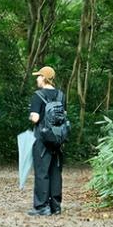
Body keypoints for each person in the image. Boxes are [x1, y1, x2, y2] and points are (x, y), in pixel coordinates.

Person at [28, 65, 65, 216]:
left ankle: (42, 207)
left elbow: (35, 118)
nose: (37, 78)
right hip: (57, 138)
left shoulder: (38, 95)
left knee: (42, 172)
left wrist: (30, 115)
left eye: (38, 76)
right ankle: (56, 206)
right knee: (55, 172)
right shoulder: (61, 95)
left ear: (44, 78)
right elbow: (64, 115)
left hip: (42, 139)